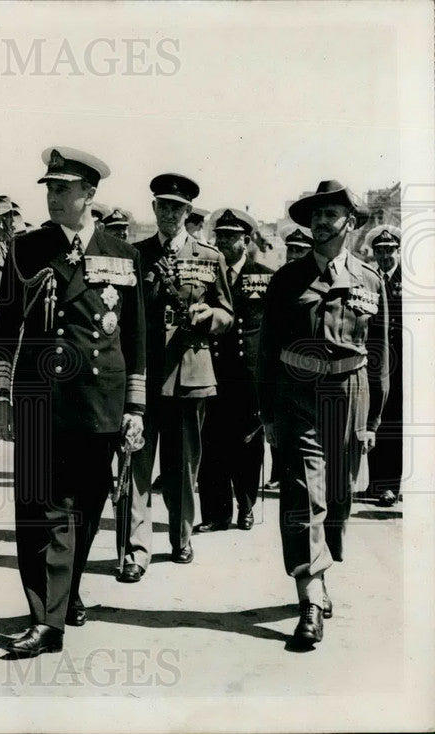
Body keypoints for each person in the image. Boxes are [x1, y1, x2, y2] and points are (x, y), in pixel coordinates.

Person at [0, 147, 146, 658]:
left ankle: (65, 592)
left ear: (89, 194)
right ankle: (47, 620)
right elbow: (5, 329)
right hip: (40, 400)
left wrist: (135, 409)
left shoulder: (123, 255)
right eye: (49, 188)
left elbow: (137, 339)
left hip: (100, 401)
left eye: (64, 189)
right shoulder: (24, 249)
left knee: (87, 508)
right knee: (40, 512)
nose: (54, 197)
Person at [257, 180, 388, 646]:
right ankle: (310, 595)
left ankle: (322, 569)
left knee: (336, 497)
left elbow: (379, 353)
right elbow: (267, 350)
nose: (320, 221)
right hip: (298, 393)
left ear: (349, 222)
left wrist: (372, 421)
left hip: (350, 395)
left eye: (330, 214)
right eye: (315, 214)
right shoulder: (286, 279)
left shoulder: (370, 280)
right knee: (300, 493)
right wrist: (268, 412)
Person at [127, 174, 233, 579]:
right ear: (153, 209)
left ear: (189, 212)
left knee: (183, 466)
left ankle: (181, 536)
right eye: (163, 205)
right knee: (136, 461)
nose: (170, 213)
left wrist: (211, 317)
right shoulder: (135, 255)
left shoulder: (209, 257)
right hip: (145, 376)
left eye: (177, 207)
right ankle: (136, 550)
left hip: (190, 374)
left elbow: (227, 311)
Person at [197, 209, 273, 532]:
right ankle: (215, 513)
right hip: (212, 371)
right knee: (211, 441)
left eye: (231, 236)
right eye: (220, 235)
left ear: (246, 240)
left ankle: (246, 505)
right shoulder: (206, 274)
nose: (224, 241)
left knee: (247, 443)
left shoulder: (265, 276)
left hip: (248, 375)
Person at [364, 225, 402, 507]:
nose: (385, 256)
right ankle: (376, 483)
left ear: (398, 251)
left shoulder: (410, 279)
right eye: (380, 251)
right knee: (373, 420)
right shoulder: (370, 279)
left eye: (389, 251)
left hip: (402, 365)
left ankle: (390, 485)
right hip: (376, 362)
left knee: (394, 424)